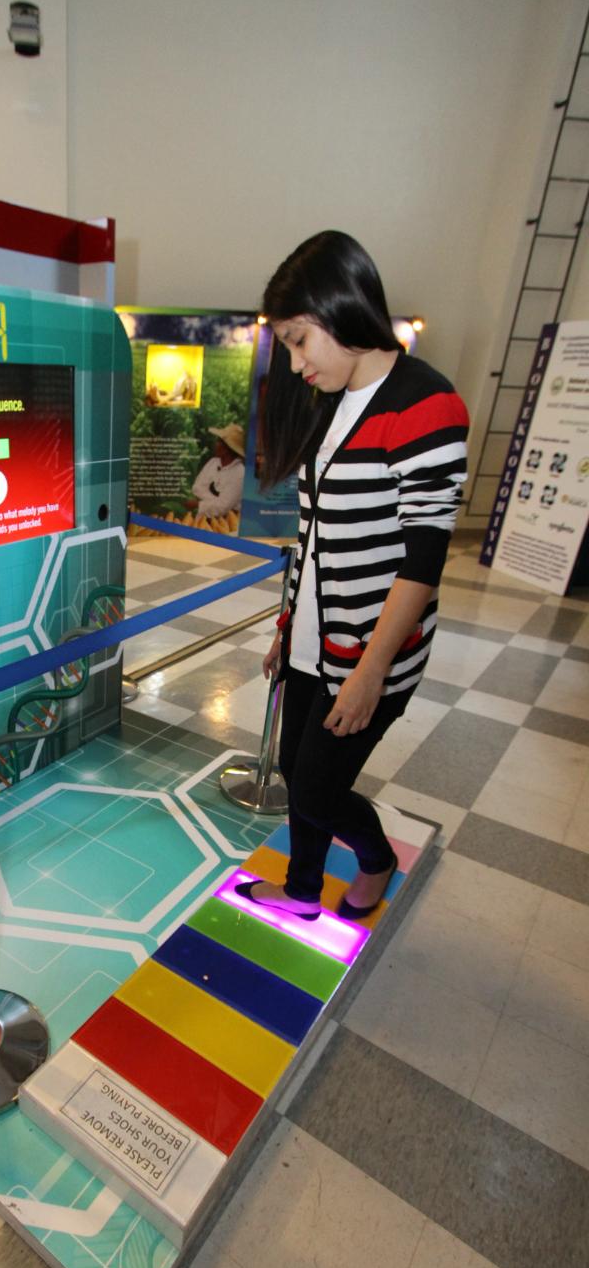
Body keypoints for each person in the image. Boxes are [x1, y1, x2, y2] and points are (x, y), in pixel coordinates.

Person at [236, 231, 469, 921]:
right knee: (294, 770)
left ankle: (376, 859)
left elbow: (424, 558)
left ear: (340, 307)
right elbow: (314, 537)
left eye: (299, 340)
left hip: (371, 651)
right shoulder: (332, 403)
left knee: (317, 790)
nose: (296, 362)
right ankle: (303, 889)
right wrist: (289, 627)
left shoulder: (425, 403)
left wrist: (371, 672)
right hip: (313, 638)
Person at [190, 423, 246, 519]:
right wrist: (215, 501)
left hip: (227, 522)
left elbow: (222, 508)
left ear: (227, 448)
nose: (216, 444)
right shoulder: (213, 462)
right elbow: (196, 488)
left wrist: (198, 504)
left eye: (219, 441)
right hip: (203, 518)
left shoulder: (240, 473)